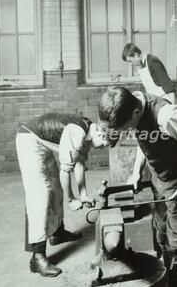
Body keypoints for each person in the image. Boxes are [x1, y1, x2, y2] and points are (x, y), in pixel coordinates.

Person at [98, 87, 177, 287]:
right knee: (160, 236)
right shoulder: (133, 104)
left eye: (127, 127)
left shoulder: (167, 116)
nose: (128, 132)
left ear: (136, 112)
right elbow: (144, 138)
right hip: (159, 178)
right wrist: (137, 172)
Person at [16, 113, 110, 277]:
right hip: (29, 140)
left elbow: (79, 163)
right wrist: (71, 199)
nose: (102, 147)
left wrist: (83, 195)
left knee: (56, 188)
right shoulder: (78, 132)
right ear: (101, 133)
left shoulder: (89, 131)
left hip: (41, 142)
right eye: (104, 143)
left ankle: (57, 233)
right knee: (41, 194)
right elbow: (66, 171)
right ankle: (37, 257)